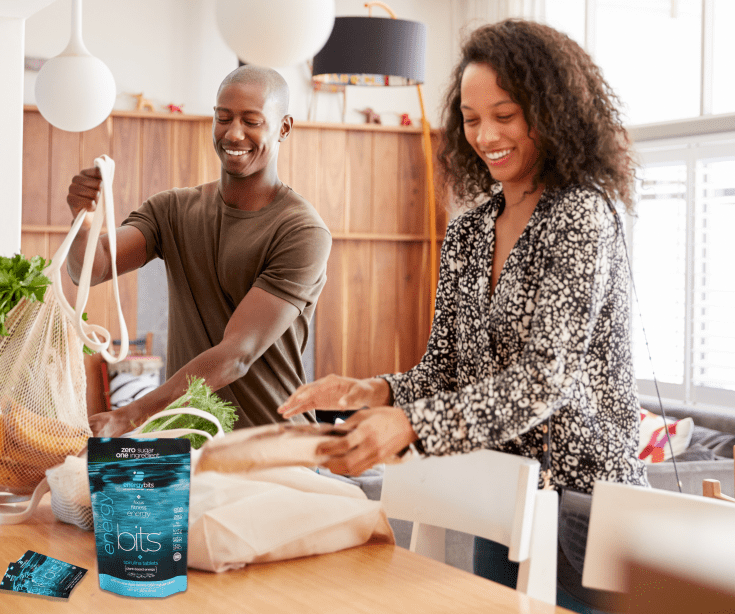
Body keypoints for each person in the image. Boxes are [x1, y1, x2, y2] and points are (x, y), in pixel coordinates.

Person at [277, 20, 646, 613]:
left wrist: (410, 426)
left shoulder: (582, 218)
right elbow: (447, 371)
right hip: (499, 491)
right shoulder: (470, 232)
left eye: (505, 115)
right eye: (472, 120)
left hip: (584, 507)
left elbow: (540, 381)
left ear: (551, 113)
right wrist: (373, 391)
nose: (485, 135)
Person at [66, 65, 331, 437]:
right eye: (223, 118)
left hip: (274, 448)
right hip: (190, 443)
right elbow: (87, 271)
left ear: (284, 127)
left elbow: (237, 355)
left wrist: (131, 415)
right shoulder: (172, 210)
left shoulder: (301, 230)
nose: (234, 133)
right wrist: (85, 220)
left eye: (252, 121)